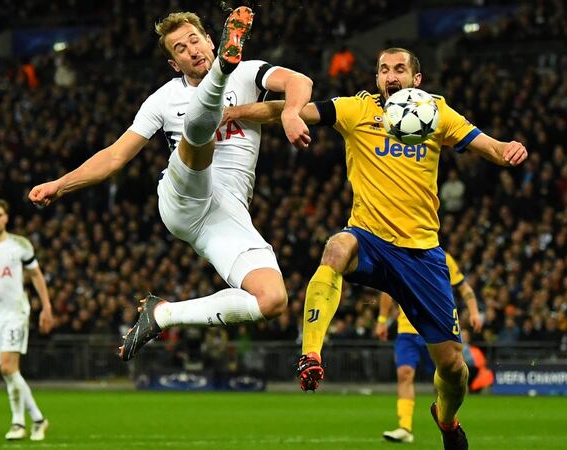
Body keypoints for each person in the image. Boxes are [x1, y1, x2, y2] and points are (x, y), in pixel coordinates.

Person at [224, 47, 527, 450]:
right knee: (335, 248)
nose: (390, 75)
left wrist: (508, 150)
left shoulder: (436, 113)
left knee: (453, 369)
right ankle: (310, 353)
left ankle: (447, 419)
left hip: (421, 255)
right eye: (384, 69)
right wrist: (233, 113)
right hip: (369, 239)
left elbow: (489, 146)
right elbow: (288, 106)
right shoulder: (356, 110)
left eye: (399, 69)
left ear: (416, 80)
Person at [28, 7, 312, 361]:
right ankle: (218, 76)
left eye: (195, 40)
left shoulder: (250, 72)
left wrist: (287, 111)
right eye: (180, 48)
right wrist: (61, 184)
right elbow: (116, 156)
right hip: (183, 196)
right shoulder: (162, 100)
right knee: (198, 134)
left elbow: (300, 82)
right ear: (175, 65)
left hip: (225, 213)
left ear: (210, 40)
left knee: (271, 300)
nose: (191, 49)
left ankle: (163, 314)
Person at [0, 198, 54, 441]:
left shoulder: (19, 245)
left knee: (7, 367)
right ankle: (37, 419)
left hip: (16, 313)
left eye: (0, 215)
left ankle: (19, 423)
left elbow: (36, 275)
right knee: (8, 372)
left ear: (6, 218)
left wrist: (46, 307)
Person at [375, 252, 482, 444]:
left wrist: (474, 312)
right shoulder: (398, 253)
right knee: (405, 374)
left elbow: (465, 289)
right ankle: (404, 427)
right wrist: (382, 320)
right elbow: (387, 289)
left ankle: (446, 423)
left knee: (444, 378)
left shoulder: (443, 258)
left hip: (435, 328)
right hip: (407, 329)